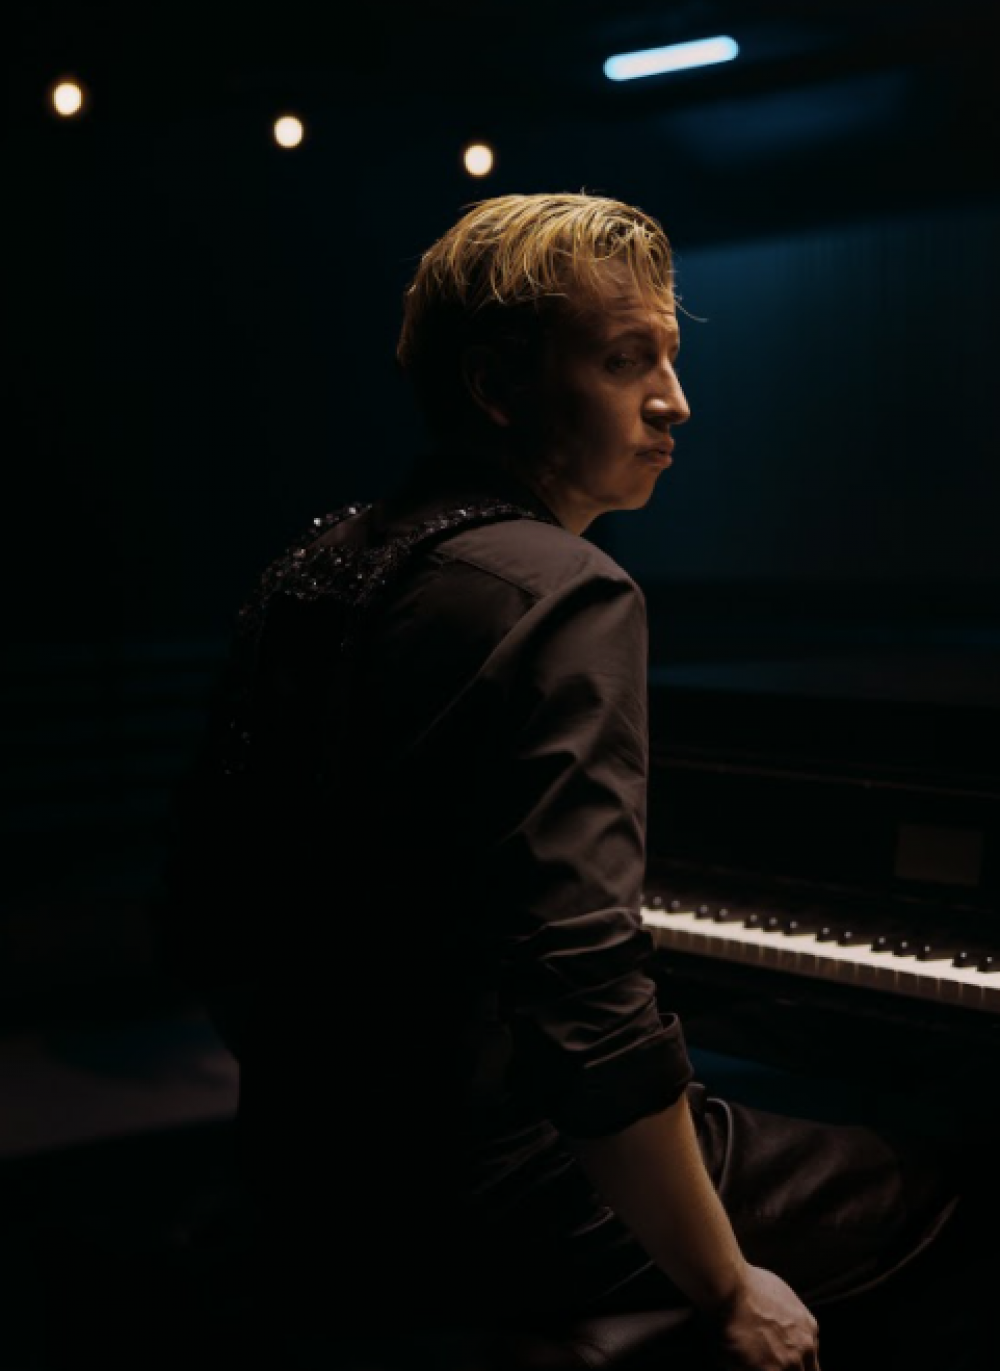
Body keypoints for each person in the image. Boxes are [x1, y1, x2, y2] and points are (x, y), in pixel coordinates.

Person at [161, 191, 983, 1371]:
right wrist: (726, 1285)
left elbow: (203, 907)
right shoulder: (566, 592)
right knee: (945, 1186)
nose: (674, 400)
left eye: (671, 358)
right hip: (498, 1191)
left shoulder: (310, 570)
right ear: (498, 386)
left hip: (308, 1163)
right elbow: (587, 1013)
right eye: (623, 360)